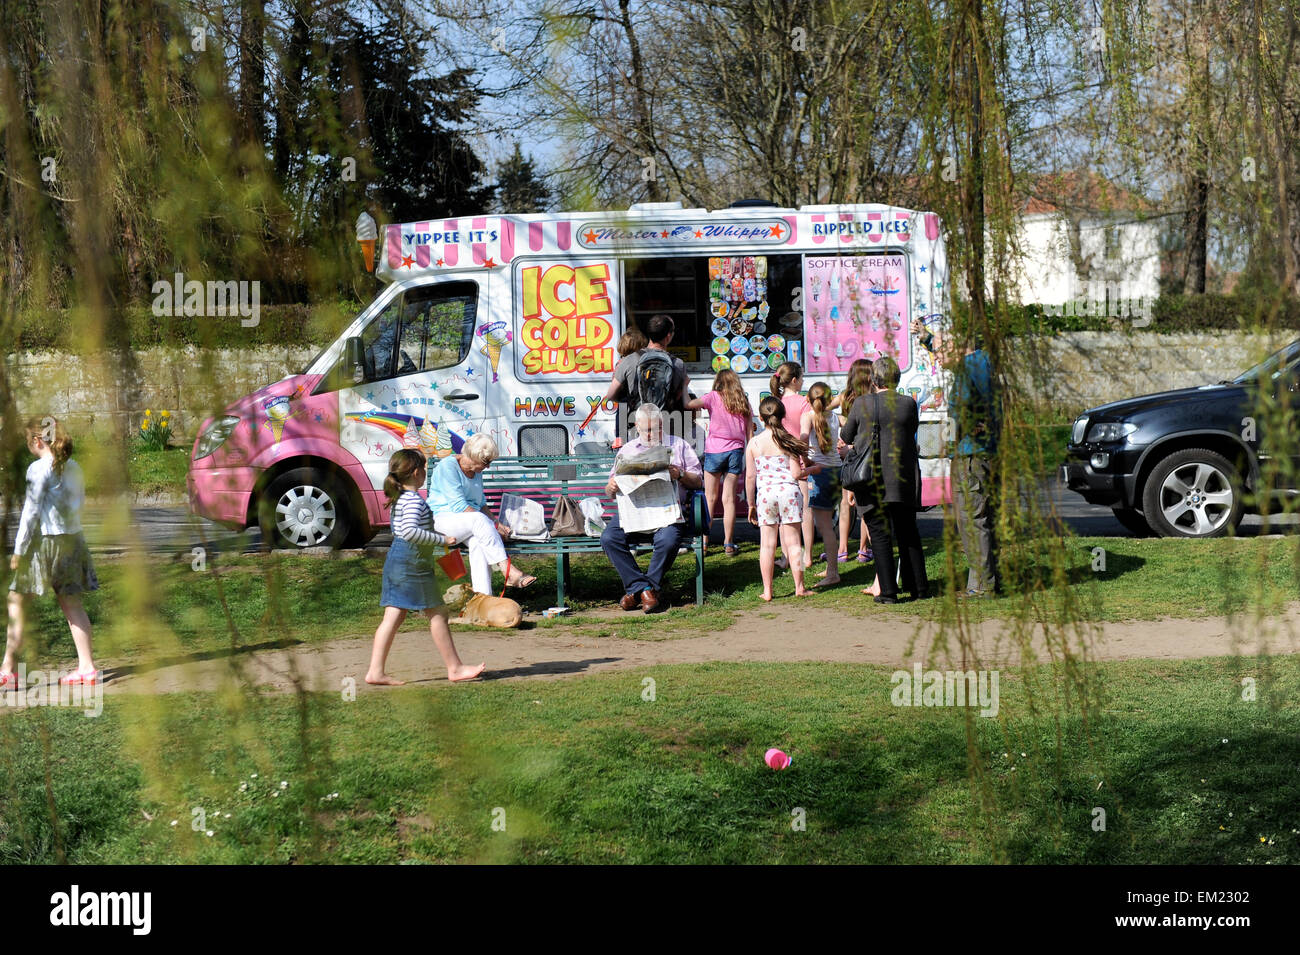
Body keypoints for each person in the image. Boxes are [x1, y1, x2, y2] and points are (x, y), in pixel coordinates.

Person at [367, 449, 485, 685]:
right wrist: (442, 539)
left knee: (393, 616)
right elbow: (411, 532)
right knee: (438, 613)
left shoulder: (400, 497)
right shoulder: (412, 499)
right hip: (412, 564)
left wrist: (437, 535)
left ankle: (375, 672)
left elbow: (404, 531)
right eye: (424, 467)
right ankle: (455, 668)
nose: (426, 473)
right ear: (416, 472)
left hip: (398, 562)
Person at [2, 417, 99, 688]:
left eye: (28, 442)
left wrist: (19, 551)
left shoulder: (37, 469)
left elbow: (30, 514)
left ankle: (8, 669)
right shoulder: (75, 468)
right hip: (73, 540)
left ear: (37, 441)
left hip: (44, 543)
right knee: (72, 604)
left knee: (16, 600)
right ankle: (87, 668)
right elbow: (80, 505)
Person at [839, 357, 928, 604]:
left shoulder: (862, 403)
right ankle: (918, 587)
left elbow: (846, 435)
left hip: (872, 478)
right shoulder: (908, 404)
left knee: (879, 533)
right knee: (908, 532)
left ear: (874, 379)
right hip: (902, 477)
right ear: (897, 378)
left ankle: (888, 592)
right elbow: (909, 431)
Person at [601, 403, 704, 613]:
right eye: (646, 429)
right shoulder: (627, 450)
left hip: (666, 511)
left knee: (668, 540)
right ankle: (645, 589)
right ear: (637, 427)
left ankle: (639, 591)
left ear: (662, 424)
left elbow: (699, 481)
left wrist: (681, 475)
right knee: (609, 538)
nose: (651, 434)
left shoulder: (678, 445)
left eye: (655, 428)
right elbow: (610, 491)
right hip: (634, 513)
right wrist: (610, 487)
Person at [426, 434, 536, 595]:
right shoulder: (447, 467)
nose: (488, 466)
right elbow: (459, 507)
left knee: (479, 543)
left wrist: (497, 523)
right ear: (472, 456)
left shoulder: (476, 471)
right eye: (486, 462)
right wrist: (492, 526)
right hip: (441, 521)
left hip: (470, 523)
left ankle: (484, 599)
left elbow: (481, 503)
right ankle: (508, 569)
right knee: (478, 519)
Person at [945, 332, 1001, 596]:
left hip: (970, 456)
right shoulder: (986, 363)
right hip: (987, 453)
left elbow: (960, 409)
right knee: (984, 518)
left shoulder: (969, 367)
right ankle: (986, 581)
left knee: (971, 521)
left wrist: (962, 427)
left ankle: (981, 586)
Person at [747, 397, 812, 601]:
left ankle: (767, 590)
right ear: (783, 417)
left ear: (760, 418)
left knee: (767, 545)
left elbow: (750, 477)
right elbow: (795, 473)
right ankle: (799, 587)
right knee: (794, 543)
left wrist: (750, 503)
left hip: (766, 495)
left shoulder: (754, 443)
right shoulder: (788, 440)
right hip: (789, 494)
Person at [686, 368, 753, 556]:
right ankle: (729, 544)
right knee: (729, 499)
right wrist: (749, 456)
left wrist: (684, 385)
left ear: (718, 382)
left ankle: (704, 543)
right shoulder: (744, 402)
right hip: (735, 452)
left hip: (714, 452)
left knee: (709, 498)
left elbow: (688, 403)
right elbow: (750, 435)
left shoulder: (713, 397)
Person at [610, 314, 690, 438]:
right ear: (668, 336)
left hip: (637, 428)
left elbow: (611, 395)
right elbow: (679, 396)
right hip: (666, 429)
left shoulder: (629, 360)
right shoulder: (678, 364)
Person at [769, 362, 813, 570]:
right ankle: (807, 556)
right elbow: (805, 433)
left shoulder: (776, 404)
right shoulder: (804, 403)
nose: (803, 381)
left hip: (779, 461)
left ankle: (785, 557)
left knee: (782, 512)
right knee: (804, 510)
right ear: (794, 380)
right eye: (802, 377)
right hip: (800, 458)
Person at [831, 359, 873, 566]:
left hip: (847, 455)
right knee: (865, 502)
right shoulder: (872, 399)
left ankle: (842, 549)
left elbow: (820, 406)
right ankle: (863, 549)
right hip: (864, 454)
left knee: (845, 503)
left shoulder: (845, 397)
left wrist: (838, 420)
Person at [800, 383, 842, 587]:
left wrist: (806, 464)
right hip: (836, 470)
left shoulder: (808, 416)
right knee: (829, 525)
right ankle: (831, 567)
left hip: (820, 473)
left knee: (824, 526)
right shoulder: (833, 417)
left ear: (808, 399)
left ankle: (833, 572)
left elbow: (802, 441)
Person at [598, 328, 649, 438]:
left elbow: (613, 391)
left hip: (625, 409)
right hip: (646, 408)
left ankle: (620, 446)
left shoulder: (621, 363)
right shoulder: (648, 361)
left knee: (622, 441)